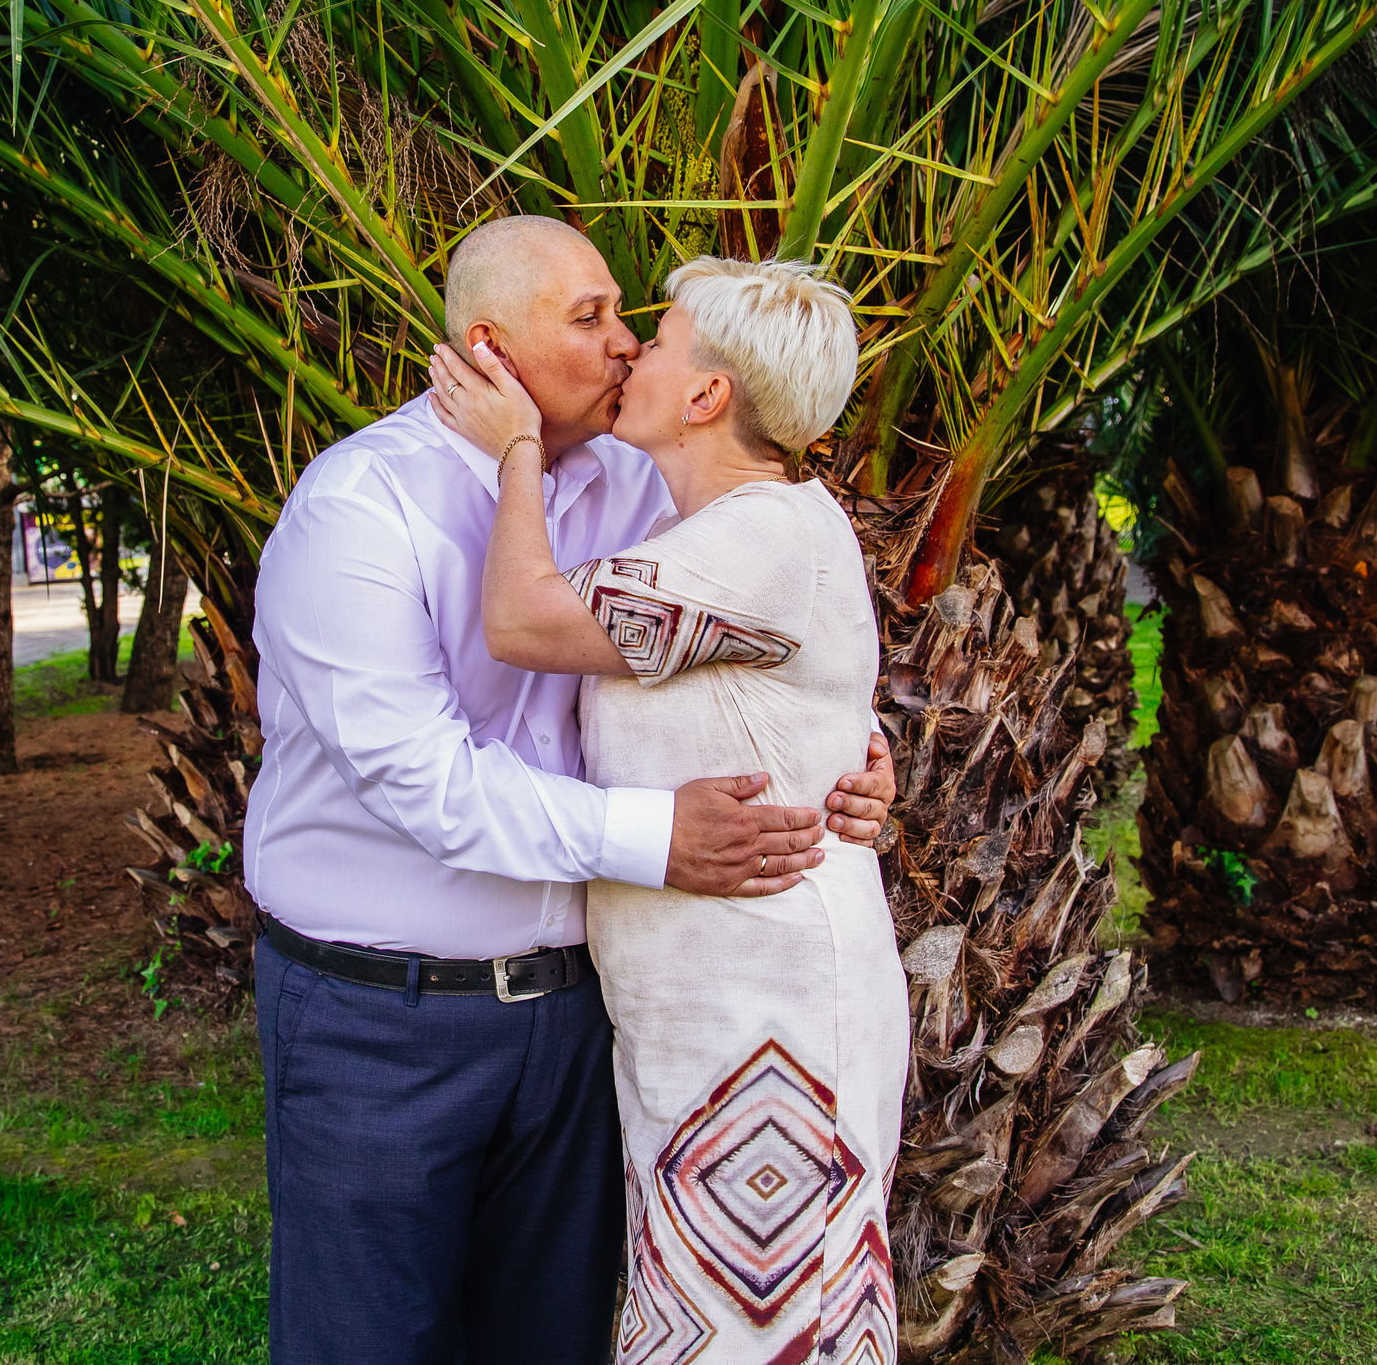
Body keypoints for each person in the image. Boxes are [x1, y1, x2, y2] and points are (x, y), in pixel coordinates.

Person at [245, 216, 895, 1365]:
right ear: (488, 349)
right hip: (383, 1022)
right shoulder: (359, 510)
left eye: (631, 319)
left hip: (575, 1017)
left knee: (546, 1343)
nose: (626, 343)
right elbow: (426, 780)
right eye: (590, 318)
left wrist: (840, 753)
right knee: (366, 1344)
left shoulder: (641, 485)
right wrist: (656, 838)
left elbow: (761, 624)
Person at [426, 254, 910, 1364]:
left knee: (761, 1323)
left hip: (765, 1005)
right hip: (720, 997)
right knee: (725, 1316)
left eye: (662, 339)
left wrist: (510, 450)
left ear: (706, 397)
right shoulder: (740, 527)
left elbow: (526, 623)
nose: (632, 348)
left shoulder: (758, 536)